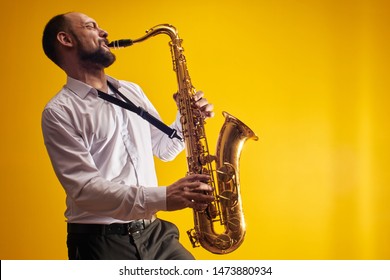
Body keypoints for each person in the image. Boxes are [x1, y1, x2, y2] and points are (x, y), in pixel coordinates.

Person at [41, 12, 215, 260]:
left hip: (155, 232)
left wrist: (186, 118)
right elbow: (86, 191)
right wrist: (163, 197)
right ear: (65, 39)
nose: (104, 33)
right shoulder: (59, 112)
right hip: (102, 241)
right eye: (92, 26)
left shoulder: (131, 91)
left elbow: (164, 149)